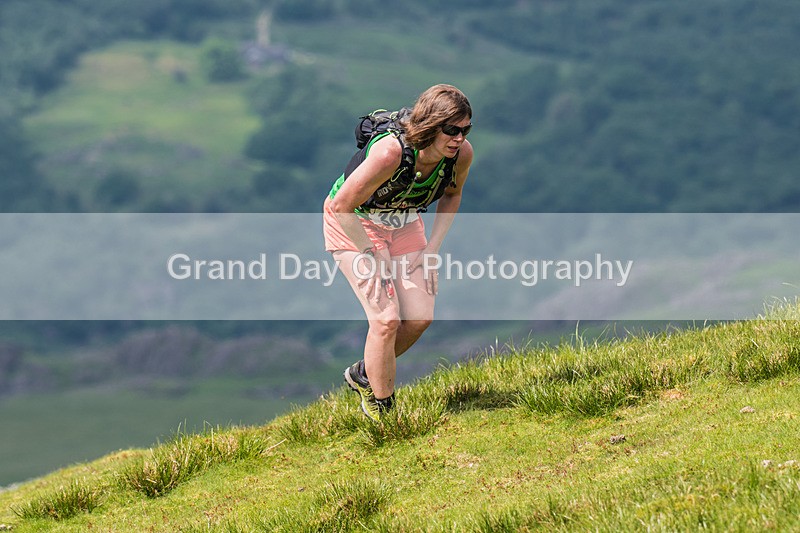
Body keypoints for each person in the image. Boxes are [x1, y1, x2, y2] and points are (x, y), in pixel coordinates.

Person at [322, 83, 474, 420]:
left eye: (465, 129)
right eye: (451, 130)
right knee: (386, 318)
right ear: (430, 126)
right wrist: (369, 256)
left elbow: (452, 194)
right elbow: (341, 204)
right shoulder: (390, 153)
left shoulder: (460, 156)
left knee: (419, 317)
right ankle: (383, 410)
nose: (459, 138)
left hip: (403, 224)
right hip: (355, 223)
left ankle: (365, 373)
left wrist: (432, 248)